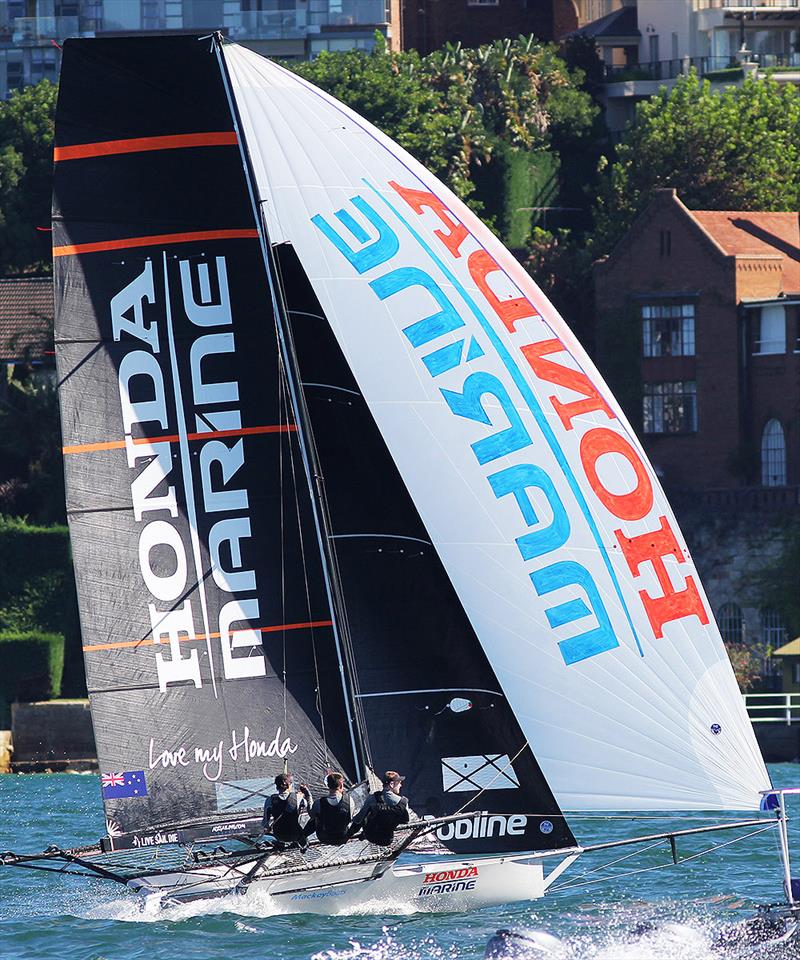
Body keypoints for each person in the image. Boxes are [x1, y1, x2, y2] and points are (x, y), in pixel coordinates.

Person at [348, 770, 411, 846]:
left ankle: (348, 836)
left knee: (364, 816)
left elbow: (358, 819)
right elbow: (406, 821)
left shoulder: (372, 798)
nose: (400, 785)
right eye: (399, 783)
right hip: (387, 840)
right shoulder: (404, 802)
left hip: (371, 836)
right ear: (391, 784)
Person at [303, 772, 353, 846]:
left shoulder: (319, 803)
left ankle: (302, 837)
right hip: (343, 837)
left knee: (315, 818)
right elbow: (350, 818)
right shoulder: (350, 801)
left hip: (324, 837)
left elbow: (311, 814)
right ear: (341, 785)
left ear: (328, 786)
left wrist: (308, 796)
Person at [262, 772, 312, 846]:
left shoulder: (270, 800)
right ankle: (301, 841)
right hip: (296, 834)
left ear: (276, 787)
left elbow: (265, 824)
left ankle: (280, 842)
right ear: (289, 785)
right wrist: (307, 794)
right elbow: (311, 811)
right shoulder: (298, 797)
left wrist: (268, 828)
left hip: (279, 835)